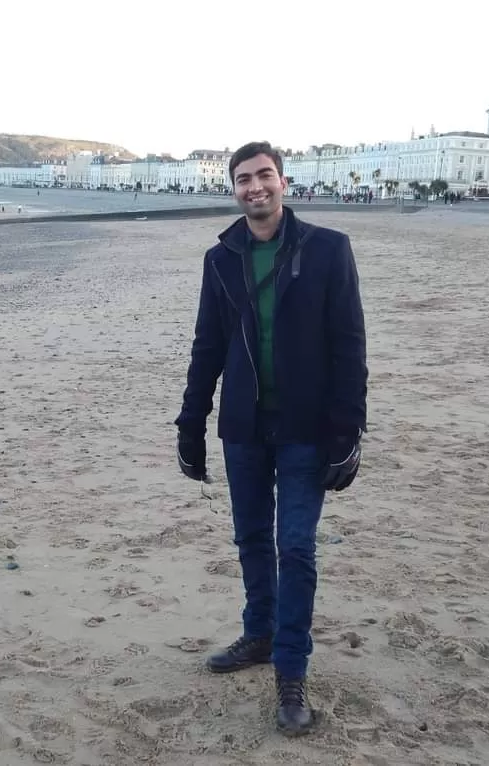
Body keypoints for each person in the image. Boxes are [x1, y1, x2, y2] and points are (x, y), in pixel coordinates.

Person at [174, 141, 368, 737]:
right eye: (243, 179)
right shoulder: (221, 258)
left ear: (284, 182)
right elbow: (208, 345)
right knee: (252, 537)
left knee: (298, 548)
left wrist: (348, 432)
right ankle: (259, 633)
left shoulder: (328, 249)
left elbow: (349, 345)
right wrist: (191, 424)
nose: (254, 187)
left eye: (264, 176)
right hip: (244, 428)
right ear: (233, 188)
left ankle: (291, 668)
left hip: (307, 430)